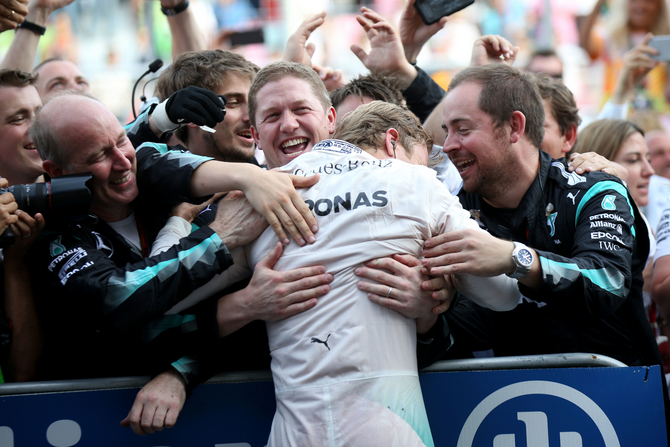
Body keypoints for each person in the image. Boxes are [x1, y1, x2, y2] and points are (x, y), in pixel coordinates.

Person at [417, 64, 668, 420]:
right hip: (515, 413)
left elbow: (607, 282)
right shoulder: (454, 213)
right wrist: (430, 314)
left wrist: (515, 258)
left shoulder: (594, 189)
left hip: (625, 413)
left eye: (463, 129)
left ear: (514, 127)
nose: (449, 145)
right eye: (447, 130)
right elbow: (467, 330)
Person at [26, 91, 328, 380]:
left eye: (121, 141)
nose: (122, 162)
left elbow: (249, 325)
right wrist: (218, 239)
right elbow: (122, 307)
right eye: (99, 156)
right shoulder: (52, 236)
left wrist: (250, 177)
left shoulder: (148, 170)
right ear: (57, 171)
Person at [0, 68, 45, 382]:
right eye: (19, 119)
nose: (37, 129)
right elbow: (21, 376)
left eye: (40, 114)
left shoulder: (87, 191)